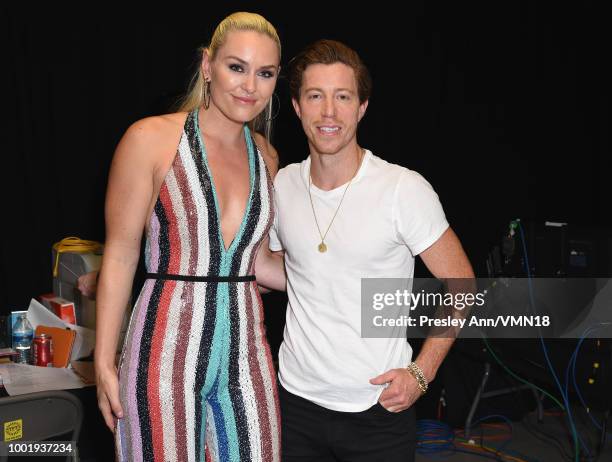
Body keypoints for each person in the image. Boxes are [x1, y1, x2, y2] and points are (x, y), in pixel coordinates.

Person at [268, 40, 475, 461]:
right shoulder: (282, 185)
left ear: (361, 108)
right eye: (315, 96)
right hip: (294, 405)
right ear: (296, 106)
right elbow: (291, 273)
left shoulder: (402, 189)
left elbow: (464, 286)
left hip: (377, 409)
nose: (329, 112)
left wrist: (423, 371)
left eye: (342, 97)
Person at [94, 12, 284, 462]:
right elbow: (121, 255)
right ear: (207, 66)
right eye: (236, 67)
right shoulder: (150, 139)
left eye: (265, 73)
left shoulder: (267, 157)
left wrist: (341, 274)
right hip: (162, 352)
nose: (249, 86)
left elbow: (255, 263)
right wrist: (103, 360)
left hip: (247, 352)